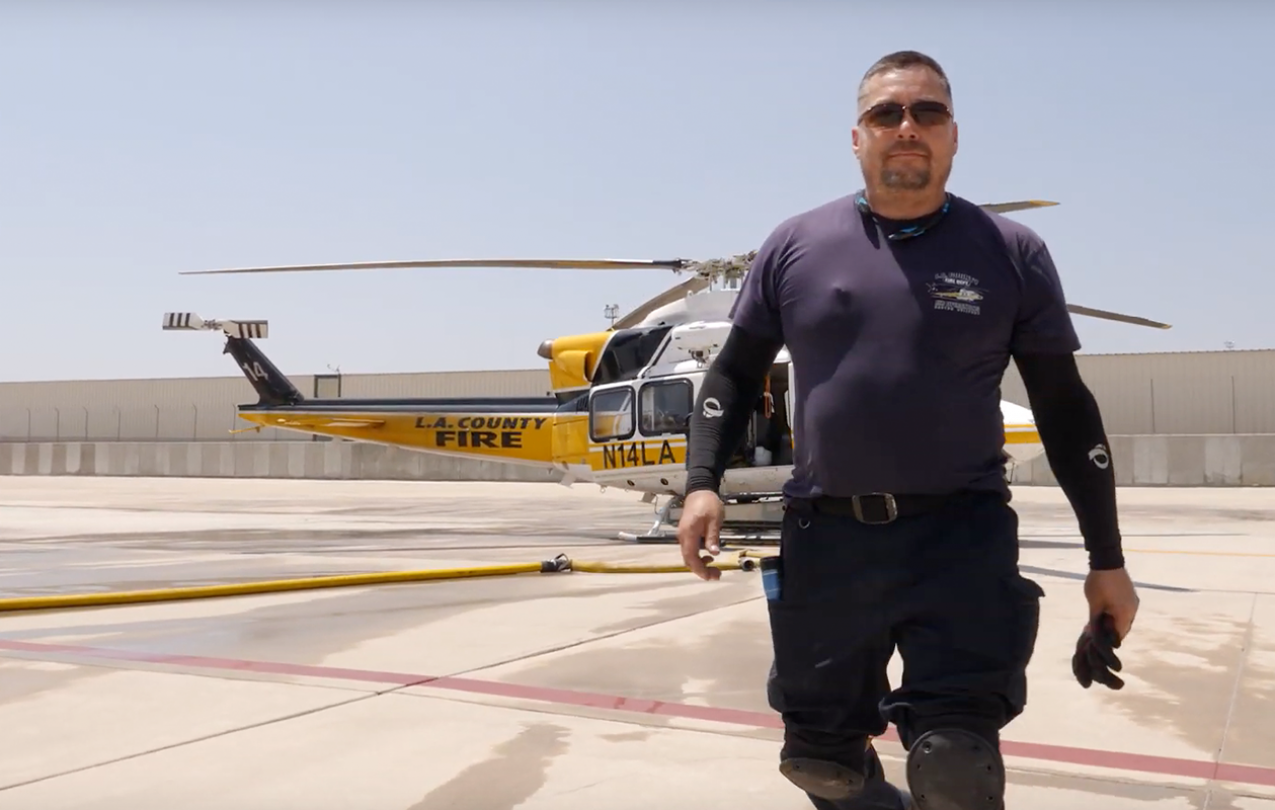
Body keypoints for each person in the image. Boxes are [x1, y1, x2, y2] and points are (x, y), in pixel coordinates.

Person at [676, 50, 1140, 810]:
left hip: (958, 539)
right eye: (884, 113)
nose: (906, 127)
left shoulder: (1011, 252)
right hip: (825, 538)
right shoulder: (794, 244)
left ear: (953, 135)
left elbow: (1063, 406)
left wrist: (1106, 560)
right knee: (819, 763)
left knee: (956, 767)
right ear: (855, 137)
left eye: (927, 112)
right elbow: (731, 373)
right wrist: (700, 486)